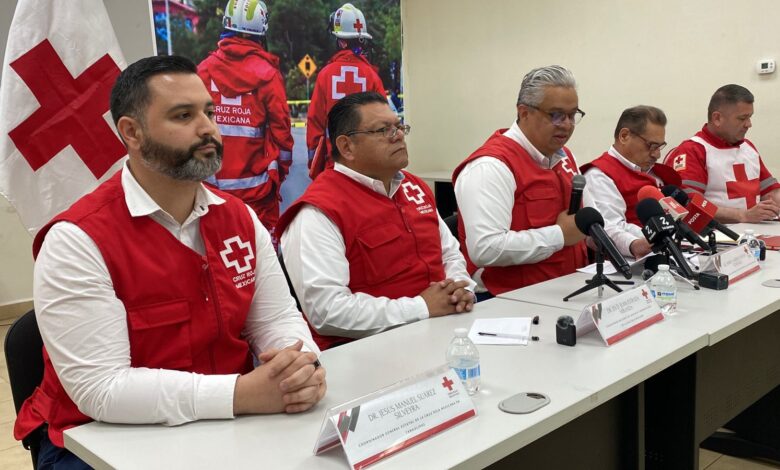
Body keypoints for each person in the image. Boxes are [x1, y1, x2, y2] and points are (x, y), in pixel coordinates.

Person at [14, 55, 326, 469]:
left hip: (226, 420)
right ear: (132, 133)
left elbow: (276, 319)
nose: (208, 129)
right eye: (183, 115)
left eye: (209, 112)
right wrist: (241, 394)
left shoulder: (239, 218)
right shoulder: (77, 239)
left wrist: (297, 367)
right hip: (98, 437)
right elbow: (102, 389)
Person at [278, 92, 475, 350]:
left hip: (441, 332)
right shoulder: (318, 212)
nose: (399, 135)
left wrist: (460, 289)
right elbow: (327, 311)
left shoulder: (414, 187)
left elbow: (449, 254)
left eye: (399, 126)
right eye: (383, 130)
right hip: (367, 352)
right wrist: (421, 308)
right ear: (347, 146)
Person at [452, 65, 588, 297]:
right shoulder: (491, 166)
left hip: (566, 288)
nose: (566, 124)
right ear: (524, 113)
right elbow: (485, 248)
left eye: (572, 114)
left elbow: (577, 227)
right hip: (510, 301)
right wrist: (559, 235)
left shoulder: (564, 156)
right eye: (556, 115)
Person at [197, 0, 293, 246]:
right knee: (261, 258)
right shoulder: (268, 74)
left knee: (218, 252)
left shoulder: (203, 71)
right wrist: (279, 173)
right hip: (258, 191)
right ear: (261, 30)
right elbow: (282, 134)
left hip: (211, 189)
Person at [664, 84, 780, 223]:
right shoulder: (692, 151)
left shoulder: (747, 147)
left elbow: (771, 193)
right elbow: (689, 203)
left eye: (749, 117)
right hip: (715, 238)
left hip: (755, 233)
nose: (749, 124)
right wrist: (742, 215)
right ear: (717, 118)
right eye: (742, 118)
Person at [582, 106, 681, 258]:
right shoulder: (599, 175)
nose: (657, 154)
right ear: (624, 136)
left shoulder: (654, 172)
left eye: (660, 146)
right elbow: (608, 227)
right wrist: (635, 243)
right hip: (630, 264)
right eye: (652, 146)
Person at [306, 2, 386, 179]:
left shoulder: (325, 75)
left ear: (340, 41)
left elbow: (315, 123)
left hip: (333, 167)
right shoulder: (372, 76)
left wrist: (314, 165)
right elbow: (384, 123)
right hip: (367, 169)